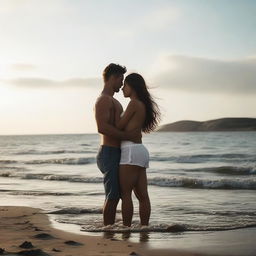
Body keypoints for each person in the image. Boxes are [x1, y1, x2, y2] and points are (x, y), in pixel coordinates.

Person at [94, 64, 141, 226]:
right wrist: (128, 136)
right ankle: (108, 231)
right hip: (108, 152)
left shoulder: (114, 101)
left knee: (120, 194)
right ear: (113, 77)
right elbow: (102, 127)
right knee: (113, 195)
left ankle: (113, 227)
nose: (122, 84)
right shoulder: (103, 100)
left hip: (117, 152)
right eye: (121, 79)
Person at [116, 73, 161, 227]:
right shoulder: (141, 104)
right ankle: (144, 228)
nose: (122, 88)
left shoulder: (134, 103)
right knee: (143, 196)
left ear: (133, 87)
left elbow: (119, 126)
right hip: (140, 151)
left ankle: (126, 230)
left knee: (126, 194)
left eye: (125, 85)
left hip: (130, 151)